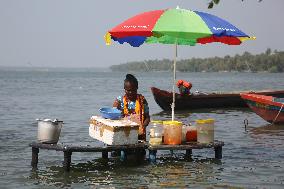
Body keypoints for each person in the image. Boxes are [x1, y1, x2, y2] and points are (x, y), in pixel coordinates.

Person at [113, 74, 150, 141]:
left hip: (139, 135)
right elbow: (113, 116)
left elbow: (147, 117)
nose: (130, 93)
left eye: (133, 90)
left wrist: (143, 126)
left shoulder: (142, 100)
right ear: (124, 89)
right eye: (128, 90)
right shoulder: (119, 100)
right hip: (123, 134)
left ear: (137, 88)